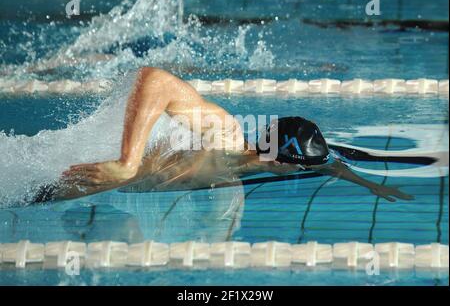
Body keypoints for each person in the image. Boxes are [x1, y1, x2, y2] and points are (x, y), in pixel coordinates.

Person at [33, 67, 413, 203]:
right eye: (300, 167)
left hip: (117, 188)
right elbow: (155, 80)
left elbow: (327, 164)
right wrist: (126, 163)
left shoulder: (266, 157)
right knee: (31, 196)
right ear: (279, 161)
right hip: (81, 180)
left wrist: (370, 186)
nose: (304, 172)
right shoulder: (227, 135)